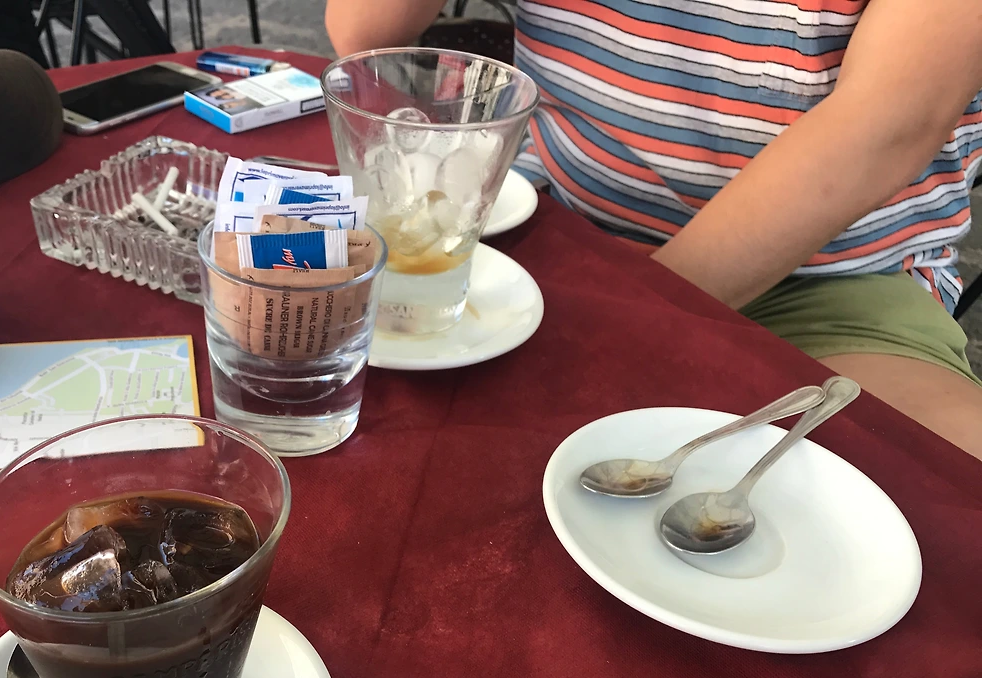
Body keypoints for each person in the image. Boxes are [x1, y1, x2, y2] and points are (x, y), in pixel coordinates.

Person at [325, 0, 982, 459]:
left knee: (935, 499)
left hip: (837, 283)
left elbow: (887, 125)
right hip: (557, 225)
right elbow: (363, 32)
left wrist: (637, 319)